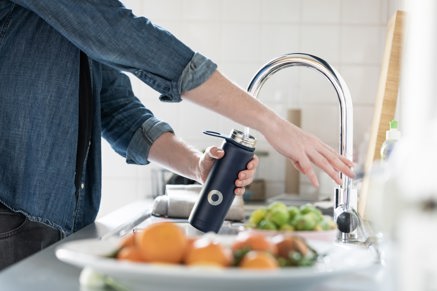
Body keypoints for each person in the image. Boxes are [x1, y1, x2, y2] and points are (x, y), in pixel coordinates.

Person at [0, 1, 354, 270]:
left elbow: (116, 109)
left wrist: (197, 165)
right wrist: (272, 124)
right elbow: (128, 37)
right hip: (10, 222)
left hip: (58, 225)